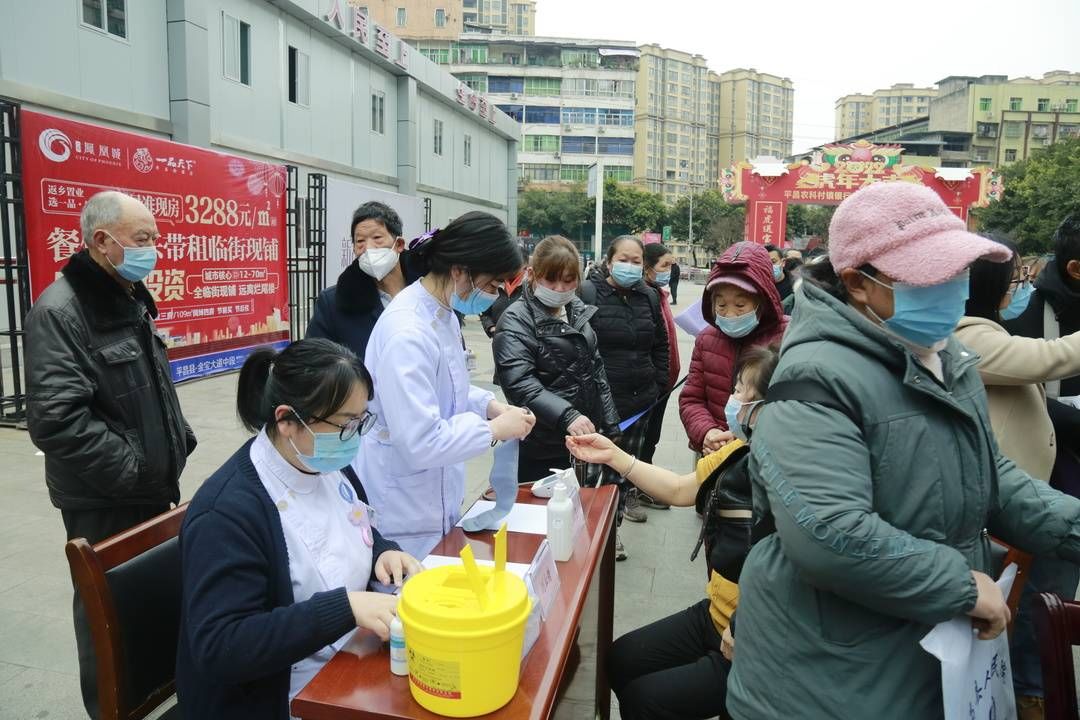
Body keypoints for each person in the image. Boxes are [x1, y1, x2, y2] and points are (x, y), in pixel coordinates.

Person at [726, 182, 1080, 720]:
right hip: (830, 677)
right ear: (858, 283)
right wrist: (959, 586)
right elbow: (831, 532)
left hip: (927, 651)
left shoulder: (945, 355)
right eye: (929, 275)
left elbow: (989, 475)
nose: (952, 288)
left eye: (957, 270)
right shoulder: (816, 378)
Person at [176, 338, 422, 719]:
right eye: (345, 424)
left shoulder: (324, 464)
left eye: (361, 421)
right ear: (287, 420)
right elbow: (220, 646)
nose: (355, 437)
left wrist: (384, 552)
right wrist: (344, 608)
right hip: (273, 695)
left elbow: (355, 526)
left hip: (346, 660)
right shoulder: (229, 512)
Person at [25, 190, 196, 720]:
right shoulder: (61, 311)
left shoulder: (127, 294)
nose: (154, 250)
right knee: (107, 621)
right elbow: (58, 421)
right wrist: (136, 469)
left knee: (150, 608)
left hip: (149, 490)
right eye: (143, 239)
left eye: (155, 239)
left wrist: (176, 444)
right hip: (104, 496)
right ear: (103, 241)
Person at [566, 345, 779, 720]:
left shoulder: (791, 480)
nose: (732, 400)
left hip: (754, 640)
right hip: (716, 612)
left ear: (770, 408)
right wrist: (614, 455)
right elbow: (681, 488)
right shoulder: (737, 451)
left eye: (742, 393)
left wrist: (745, 627)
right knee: (620, 659)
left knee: (646, 701)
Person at [357, 212, 536, 557]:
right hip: (403, 508)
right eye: (493, 284)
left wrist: (489, 406)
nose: (496, 294)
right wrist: (494, 428)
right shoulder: (407, 332)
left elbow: (448, 388)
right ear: (459, 271)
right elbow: (420, 441)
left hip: (433, 494)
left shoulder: (441, 315)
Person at [492, 236, 620, 485]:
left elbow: (596, 370)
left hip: (582, 438)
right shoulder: (515, 320)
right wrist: (567, 416)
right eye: (550, 279)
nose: (560, 288)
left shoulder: (577, 310)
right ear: (532, 274)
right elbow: (520, 383)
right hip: (541, 442)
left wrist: (610, 422)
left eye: (568, 280)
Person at [579, 236, 669, 551]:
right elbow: (579, 348)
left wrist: (658, 384)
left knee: (624, 472)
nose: (630, 266)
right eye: (624, 259)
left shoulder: (650, 297)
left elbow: (661, 344)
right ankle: (595, 535)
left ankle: (612, 530)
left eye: (636, 261)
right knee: (596, 474)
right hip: (602, 404)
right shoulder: (588, 293)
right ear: (608, 260)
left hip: (641, 400)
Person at [679, 242, 786, 458]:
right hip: (713, 450)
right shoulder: (706, 339)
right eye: (721, 305)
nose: (730, 314)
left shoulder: (788, 336)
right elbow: (692, 399)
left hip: (766, 454)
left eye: (740, 305)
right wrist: (707, 432)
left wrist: (747, 437)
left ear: (762, 301)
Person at [307, 201, 421, 359]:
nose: (368, 248)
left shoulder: (429, 290)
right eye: (360, 241)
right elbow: (313, 360)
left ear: (399, 244)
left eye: (377, 238)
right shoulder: (334, 303)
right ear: (353, 248)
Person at [634, 243, 681, 510]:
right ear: (647, 266)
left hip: (663, 383)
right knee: (640, 441)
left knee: (651, 439)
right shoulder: (643, 296)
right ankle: (634, 491)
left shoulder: (658, 294)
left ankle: (644, 488)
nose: (669, 270)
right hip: (650, 384)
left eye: (671, 265)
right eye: (664, 265)